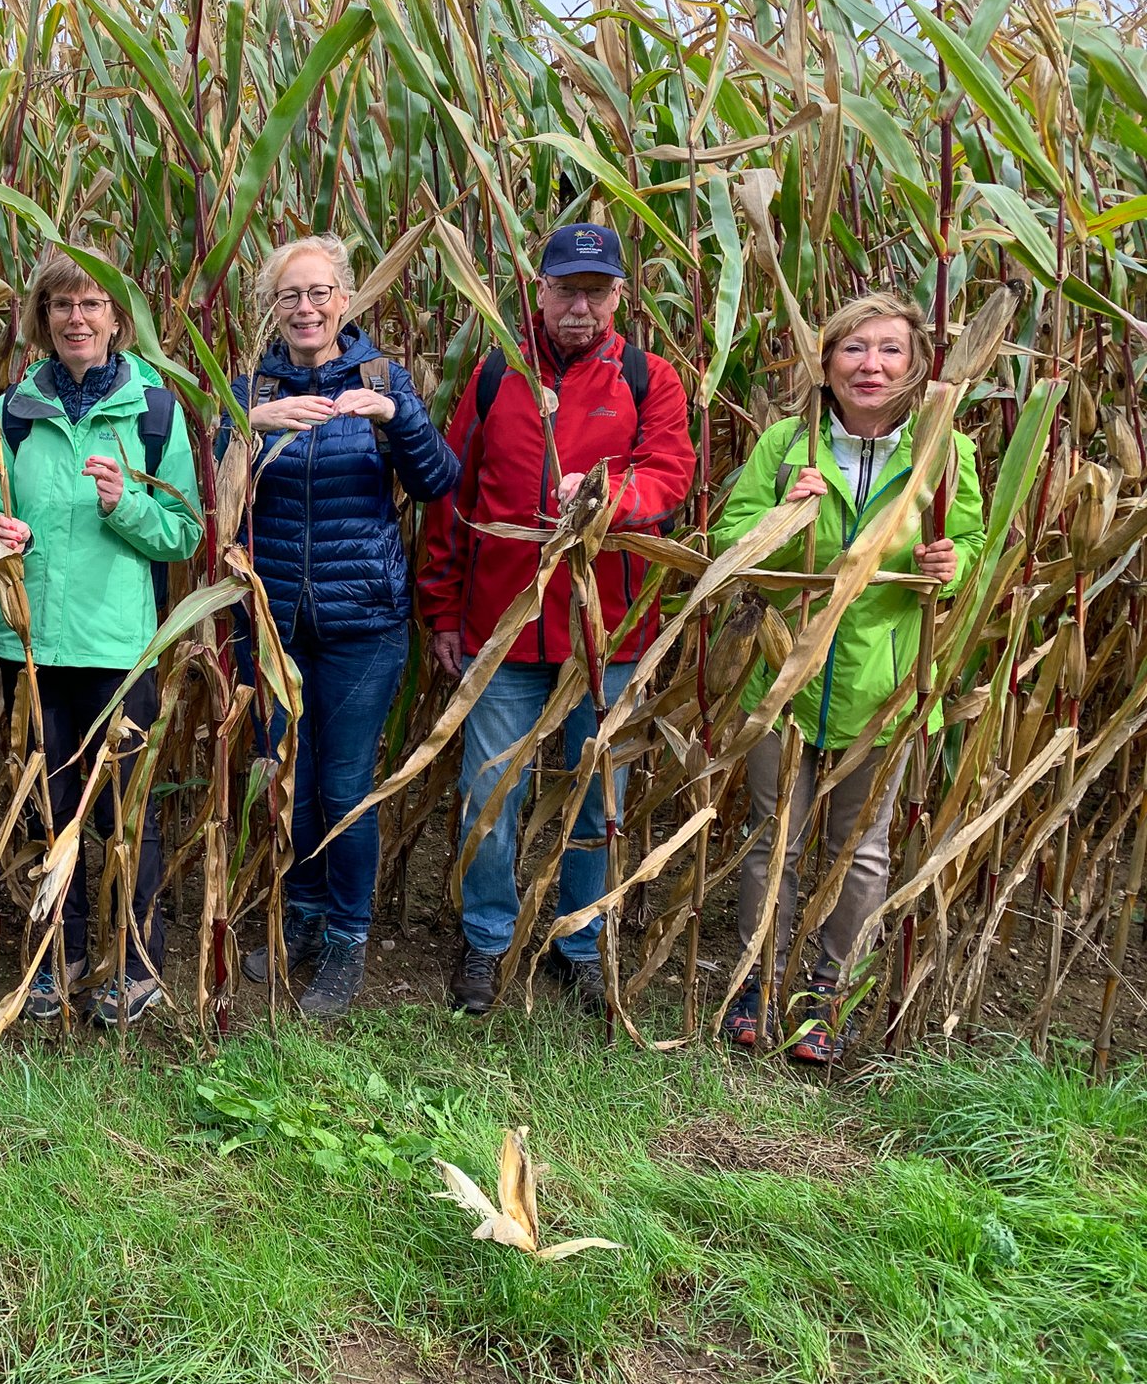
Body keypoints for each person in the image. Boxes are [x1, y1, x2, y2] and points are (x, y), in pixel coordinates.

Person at [418, 224, 696, 1016]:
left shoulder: (648, 379)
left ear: (619, 296)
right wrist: (442, 609)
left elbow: (670, 473)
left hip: (607, 633)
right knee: (490, 793)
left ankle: (579, 942)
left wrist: (610, 497)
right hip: (502, 628)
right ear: (540, 290)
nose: (580, 306)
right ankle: (486, 938)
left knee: (597, 796)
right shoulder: (496, 374)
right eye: (566, 289)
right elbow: (454, 497)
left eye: (595, 292)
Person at [713, 291, 984, 1063]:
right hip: (784, 680)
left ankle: (826, 1002)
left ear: (916, 365)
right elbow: (731, 541)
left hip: (883, 688)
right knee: (774, 842)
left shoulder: (943, 452)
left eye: (890, 349)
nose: (872, 365)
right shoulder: (785, 445)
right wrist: (782, 521)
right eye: (854, 348)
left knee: (860, 853)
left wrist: (952, 562)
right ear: (826, 362)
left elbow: (974, 544)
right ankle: (756, 986)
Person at [228, 235, 459, 1018]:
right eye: (290, 295)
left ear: (345, 299)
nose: (306, 308)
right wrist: (247, 422)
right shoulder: (251, 387)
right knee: (287, 779)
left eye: (319, 293)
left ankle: (347, 938)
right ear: (273, 307)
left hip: (363, 621)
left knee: (344, 787)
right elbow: (209, 495)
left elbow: (438, 481)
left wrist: (397, 416)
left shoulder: (382, 378)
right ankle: (302, 911)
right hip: (272, 621)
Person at [0, 247, 203, 1026]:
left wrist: (124, 506)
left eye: (92, 304)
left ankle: (136, 964)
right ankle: (61, 958)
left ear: (116, 318)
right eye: (62, 305)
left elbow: (184, 533)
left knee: (122, 812)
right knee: (48, 808)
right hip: (32, 644)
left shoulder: (154, 412)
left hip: (117, 649)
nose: (77, 318)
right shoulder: (14, 412)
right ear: (43, 319)